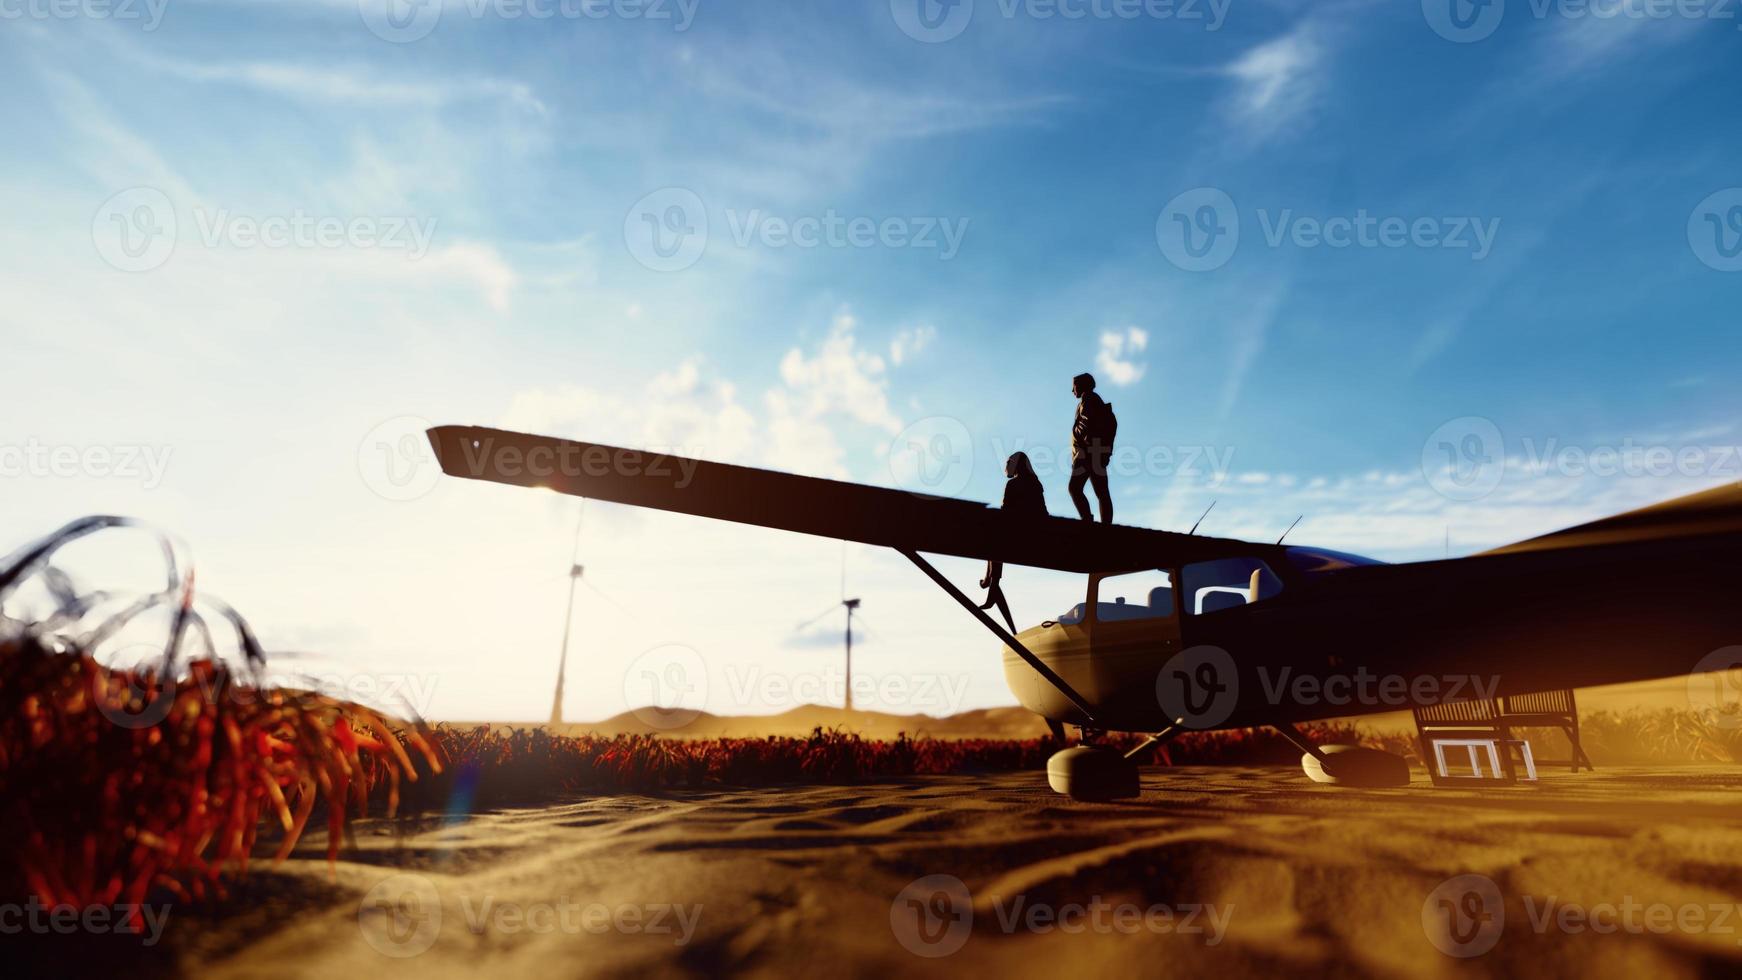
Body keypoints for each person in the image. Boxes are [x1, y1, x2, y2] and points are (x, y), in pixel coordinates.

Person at [979, 452, 1045, 632]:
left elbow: (1005, 511)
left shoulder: (1013, 484)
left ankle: (991, 583)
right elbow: (1043, 512)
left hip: (1019, 538)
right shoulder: (1036, 484)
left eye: (1009, 462)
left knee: (992, 538)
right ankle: (991, 584)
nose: (1006, 466)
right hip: (1036, 536)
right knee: (994, 540)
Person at [1067, 372, 1116, 524]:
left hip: (1088, 452)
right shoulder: (1091, 400)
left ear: (1082, 385)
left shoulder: (1088, 399)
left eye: (1074, 385)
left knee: (1075, 488)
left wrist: (1082, 441)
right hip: (1094, 451)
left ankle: (1087, 519)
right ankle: (1104, 523)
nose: (1072, 390)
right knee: (1101, 491)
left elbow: (1087, 425)